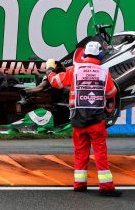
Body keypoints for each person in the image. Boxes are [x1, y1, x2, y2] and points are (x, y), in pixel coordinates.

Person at [46, 41, 122, 197]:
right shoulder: (103, 72)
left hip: (78, 120)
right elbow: (112, 92)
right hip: (96, 120)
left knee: (80, 152)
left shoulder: (75, 70)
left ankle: (79, 184)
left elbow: (56, 82)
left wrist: (49, 71)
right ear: (100, 55)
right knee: (100, 153)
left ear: (85, 54)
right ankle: (106, 187)